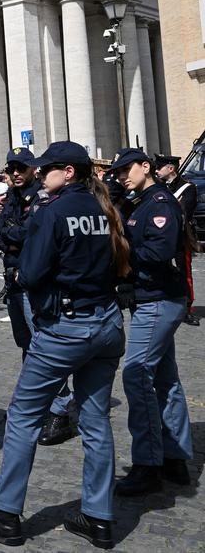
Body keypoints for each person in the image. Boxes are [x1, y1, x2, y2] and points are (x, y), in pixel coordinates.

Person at [0, 141, 129, 549]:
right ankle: (98, 515)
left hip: (66, 326)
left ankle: (5, 513)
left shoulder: (53, 212)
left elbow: (33, 272)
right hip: (106, 320)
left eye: (47, 168)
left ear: (67, 172)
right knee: (94, 420)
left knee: (22, 417)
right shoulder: (106, 209)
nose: (41, 174)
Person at [108, 148, 194, 496]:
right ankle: (175, 456)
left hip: (158, 298)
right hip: (154, 297)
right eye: (116, 172)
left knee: (137, 373)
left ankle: (147, 463)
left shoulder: (158, 203)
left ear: (147, 167)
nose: (121, 176)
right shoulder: (140, 201)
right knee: (164, 377)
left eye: (126, 169)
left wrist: (119, 257)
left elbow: (157, 254)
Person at [0, 147, 74, 446]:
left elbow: (30, 236)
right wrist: (15, 236)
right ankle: (34, 404)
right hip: (13, 282)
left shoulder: (43, 198)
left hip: (34, 284)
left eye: (20, 168)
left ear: (32, 170)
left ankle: (59, 410)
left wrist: (14, 236)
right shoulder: (11, 198)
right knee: (27, 346)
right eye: (11, 168)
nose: (14, 173)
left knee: (45, 347)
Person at [154, 154, 199, 326]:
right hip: (162, 236)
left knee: (184, 272)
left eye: (160, 167)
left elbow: (183, 212)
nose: (157, 171)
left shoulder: (188, 188)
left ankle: (187, 308)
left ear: (171, 169)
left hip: (181, 237)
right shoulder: (159, 187)